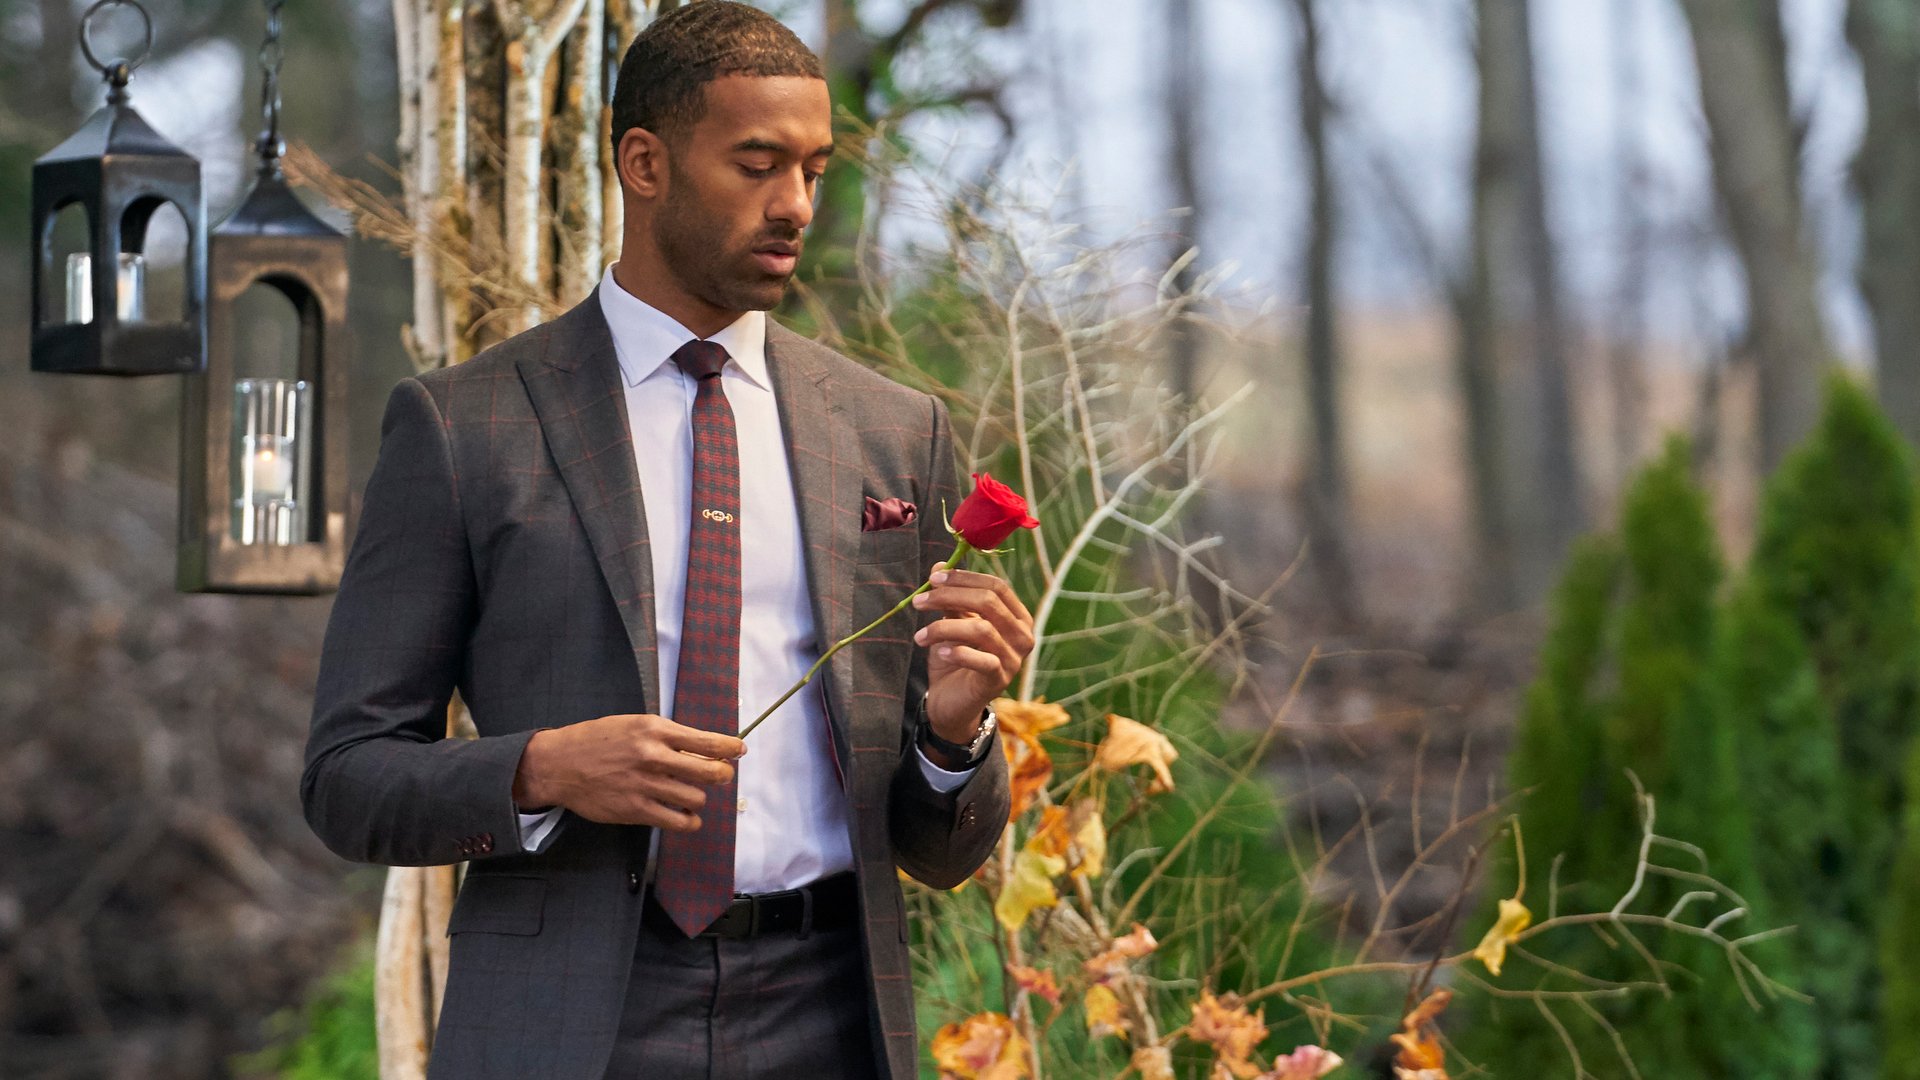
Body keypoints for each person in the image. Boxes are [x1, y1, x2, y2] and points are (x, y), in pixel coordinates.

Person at [300, 5, 1028, 1078]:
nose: (795, 206)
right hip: (571, 1017)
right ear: (644, 162)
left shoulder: (892, 432)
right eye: (757, 165)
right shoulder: (466, 426)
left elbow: (940, 850)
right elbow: (347, 780)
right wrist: (544, 769)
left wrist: (954, 738)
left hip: (832, 1012)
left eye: (815, 170)